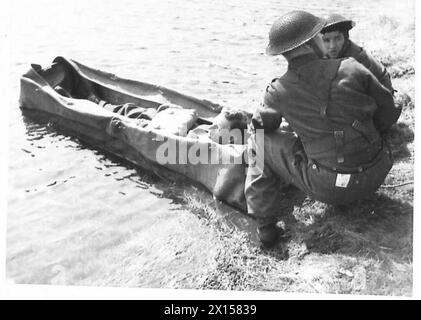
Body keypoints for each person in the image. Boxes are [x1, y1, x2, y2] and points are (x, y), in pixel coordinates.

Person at [245, 10, 401, 248]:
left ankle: (266, 228)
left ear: (283, 53)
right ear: (314, 40)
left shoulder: (277, 91)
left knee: (258, 141)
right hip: (376, 174)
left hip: (330, 189)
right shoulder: (351, 67)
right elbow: (389, 110)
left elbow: (263, 126)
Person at [320, 13, 394, 93]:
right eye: (326, 40)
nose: (332, 46)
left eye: (338, 39)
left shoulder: (358, 60)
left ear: (345, 38)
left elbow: (381, 94)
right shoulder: (319, 52)